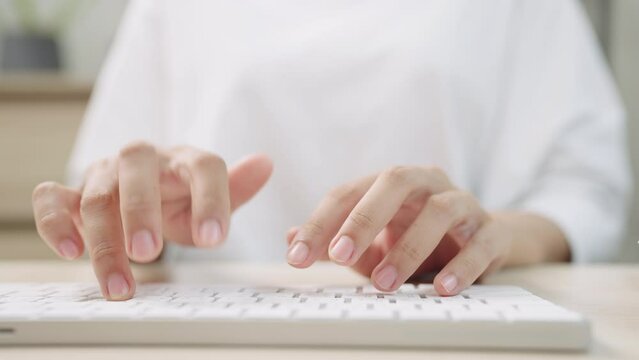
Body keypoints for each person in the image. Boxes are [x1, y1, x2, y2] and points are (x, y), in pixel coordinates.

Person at [31, 0, 631, 301]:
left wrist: (488, 235)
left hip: (447, 315)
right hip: (211, 325)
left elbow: (584, 187)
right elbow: (106, 181)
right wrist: (139, 217)